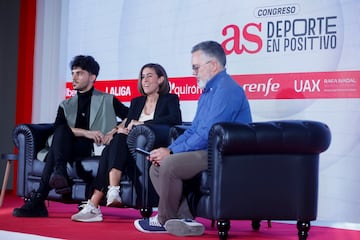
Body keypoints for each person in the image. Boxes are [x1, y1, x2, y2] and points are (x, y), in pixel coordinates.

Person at [134, 41, 252, 236]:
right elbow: (194, 130)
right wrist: (167, 149)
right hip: (209, 150)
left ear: (212, 65)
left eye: (196, 67)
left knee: (169, 164)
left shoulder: (226, 90)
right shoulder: (208, 91)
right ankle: (184, 219)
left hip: (224, 154)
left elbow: (207, 134)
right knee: (157, 165)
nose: (193, 72)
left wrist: (171, 153)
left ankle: (164, 219)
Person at [13, 55, 129, 217]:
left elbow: (130, 116)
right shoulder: (66, 105)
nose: (74, 77)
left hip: (90, 147)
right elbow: (58, 128)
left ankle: (40, 198)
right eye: (73, 73)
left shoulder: (107, 99)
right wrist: (86, 132)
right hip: (67, 147)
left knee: (57, 144)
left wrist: (114, 130)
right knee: (61, 131)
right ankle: (58, 174)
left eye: (79, 73)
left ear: (92, 77)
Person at [71, 63, 182, 222]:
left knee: (112, 147)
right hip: (128, 150)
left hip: (148, 150)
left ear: (161, 79)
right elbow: (128, 122)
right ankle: (110, 193)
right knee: (117, 141)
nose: (145, 80)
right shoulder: (137, 102)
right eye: (142, 77)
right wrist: (117, 130)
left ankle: (96, 203)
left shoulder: (169, 99)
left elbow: (174, 120)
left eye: (149, 76)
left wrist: (143, 124)